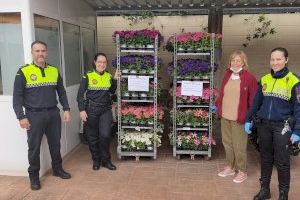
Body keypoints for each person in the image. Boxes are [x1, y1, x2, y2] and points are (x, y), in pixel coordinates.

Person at [13, 40, 71, 190]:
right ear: (32, 53)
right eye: (37, 51)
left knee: (55, 144)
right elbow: (17, 97)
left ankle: (57, 169)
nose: (40, 54)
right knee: (34, 147)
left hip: (53, 114)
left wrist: (66, 108)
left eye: (43, 51)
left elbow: (61, 91)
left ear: (47, 52)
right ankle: (34, 177)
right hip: (33, 115)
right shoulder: (23, 72)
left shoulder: (54, 70)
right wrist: (21, 116)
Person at [245, 47, 300, 200]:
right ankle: (264, 190)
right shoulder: (264, 79)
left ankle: (283, 194)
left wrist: (297, 131)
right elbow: (256, 103)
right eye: (272, 59)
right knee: (265, 158)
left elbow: (298, 108)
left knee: (282, 161)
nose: (275, 62)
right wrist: (248, 119)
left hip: (283, 126)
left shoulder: (294, 81)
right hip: (264, 126)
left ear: (286, 60)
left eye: (278, 59)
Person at [216, 50, 257, 183]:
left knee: (239, 146)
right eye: (233, 60)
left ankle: (242, 171)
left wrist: (250, 118)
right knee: (227, 143)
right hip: (225, 116)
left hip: (239, 118)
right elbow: (222, 93)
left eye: (238, 60)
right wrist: (217, 106)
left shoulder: (249, 78)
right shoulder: (227, 75)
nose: (235, 63)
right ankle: (231, 166)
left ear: (244, 62)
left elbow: (253, 100)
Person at [77, 53, 118, 171]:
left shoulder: (108, 76)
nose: (102, 64)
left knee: (105, 135)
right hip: (91, 110)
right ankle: (96, 160)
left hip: (105, 110)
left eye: (104, 62)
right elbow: (80, 95)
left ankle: (106, 161)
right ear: (95, 62)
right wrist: (81, 110)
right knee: (92, 137)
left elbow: (112, 90)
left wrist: (115, 79)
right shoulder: (88, 76)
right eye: (99, 62)